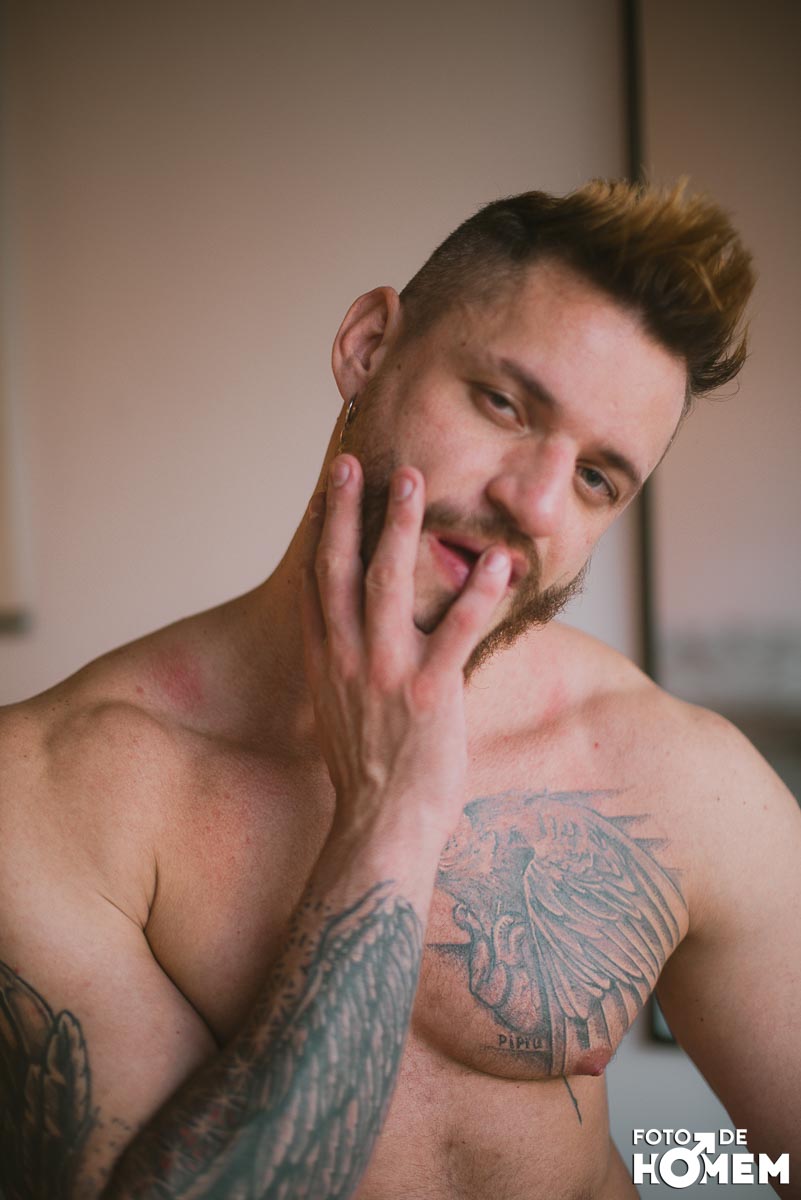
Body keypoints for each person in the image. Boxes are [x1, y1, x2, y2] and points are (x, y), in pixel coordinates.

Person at [0, 179, 799, 1200]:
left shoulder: (673, 775)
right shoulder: (46, 795)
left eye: (596, 478)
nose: (534, 504)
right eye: (504, 404)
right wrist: (390, 817)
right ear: (368, 346)